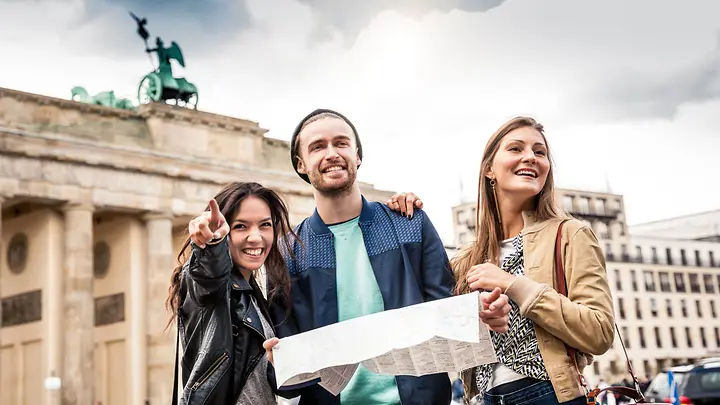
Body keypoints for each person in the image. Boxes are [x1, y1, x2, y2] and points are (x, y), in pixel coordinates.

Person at [263, 108, 512, 405]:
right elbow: (289, 382)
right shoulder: (286, 252)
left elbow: (449, 312)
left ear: (357, 155)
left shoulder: (410, 222)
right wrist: (277, 364)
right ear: (301, 164)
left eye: (341, 143)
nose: (331, 153)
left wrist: (483, 313)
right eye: (318, 146)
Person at [449, 116, 615, 404]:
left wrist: (514, 285)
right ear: (489, 168)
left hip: (549, 394)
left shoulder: (571, 234)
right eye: (516, 148)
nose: (530, 157)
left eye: (540, 152)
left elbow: (599, 331)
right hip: (483, 398)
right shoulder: (466, 257)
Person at [166, 182, 297, 405]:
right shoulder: (213, 285)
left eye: (264, 225)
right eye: (241, 227)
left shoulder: (254, 295)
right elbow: (210, 273)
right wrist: (214, 244)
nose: (255, 237)